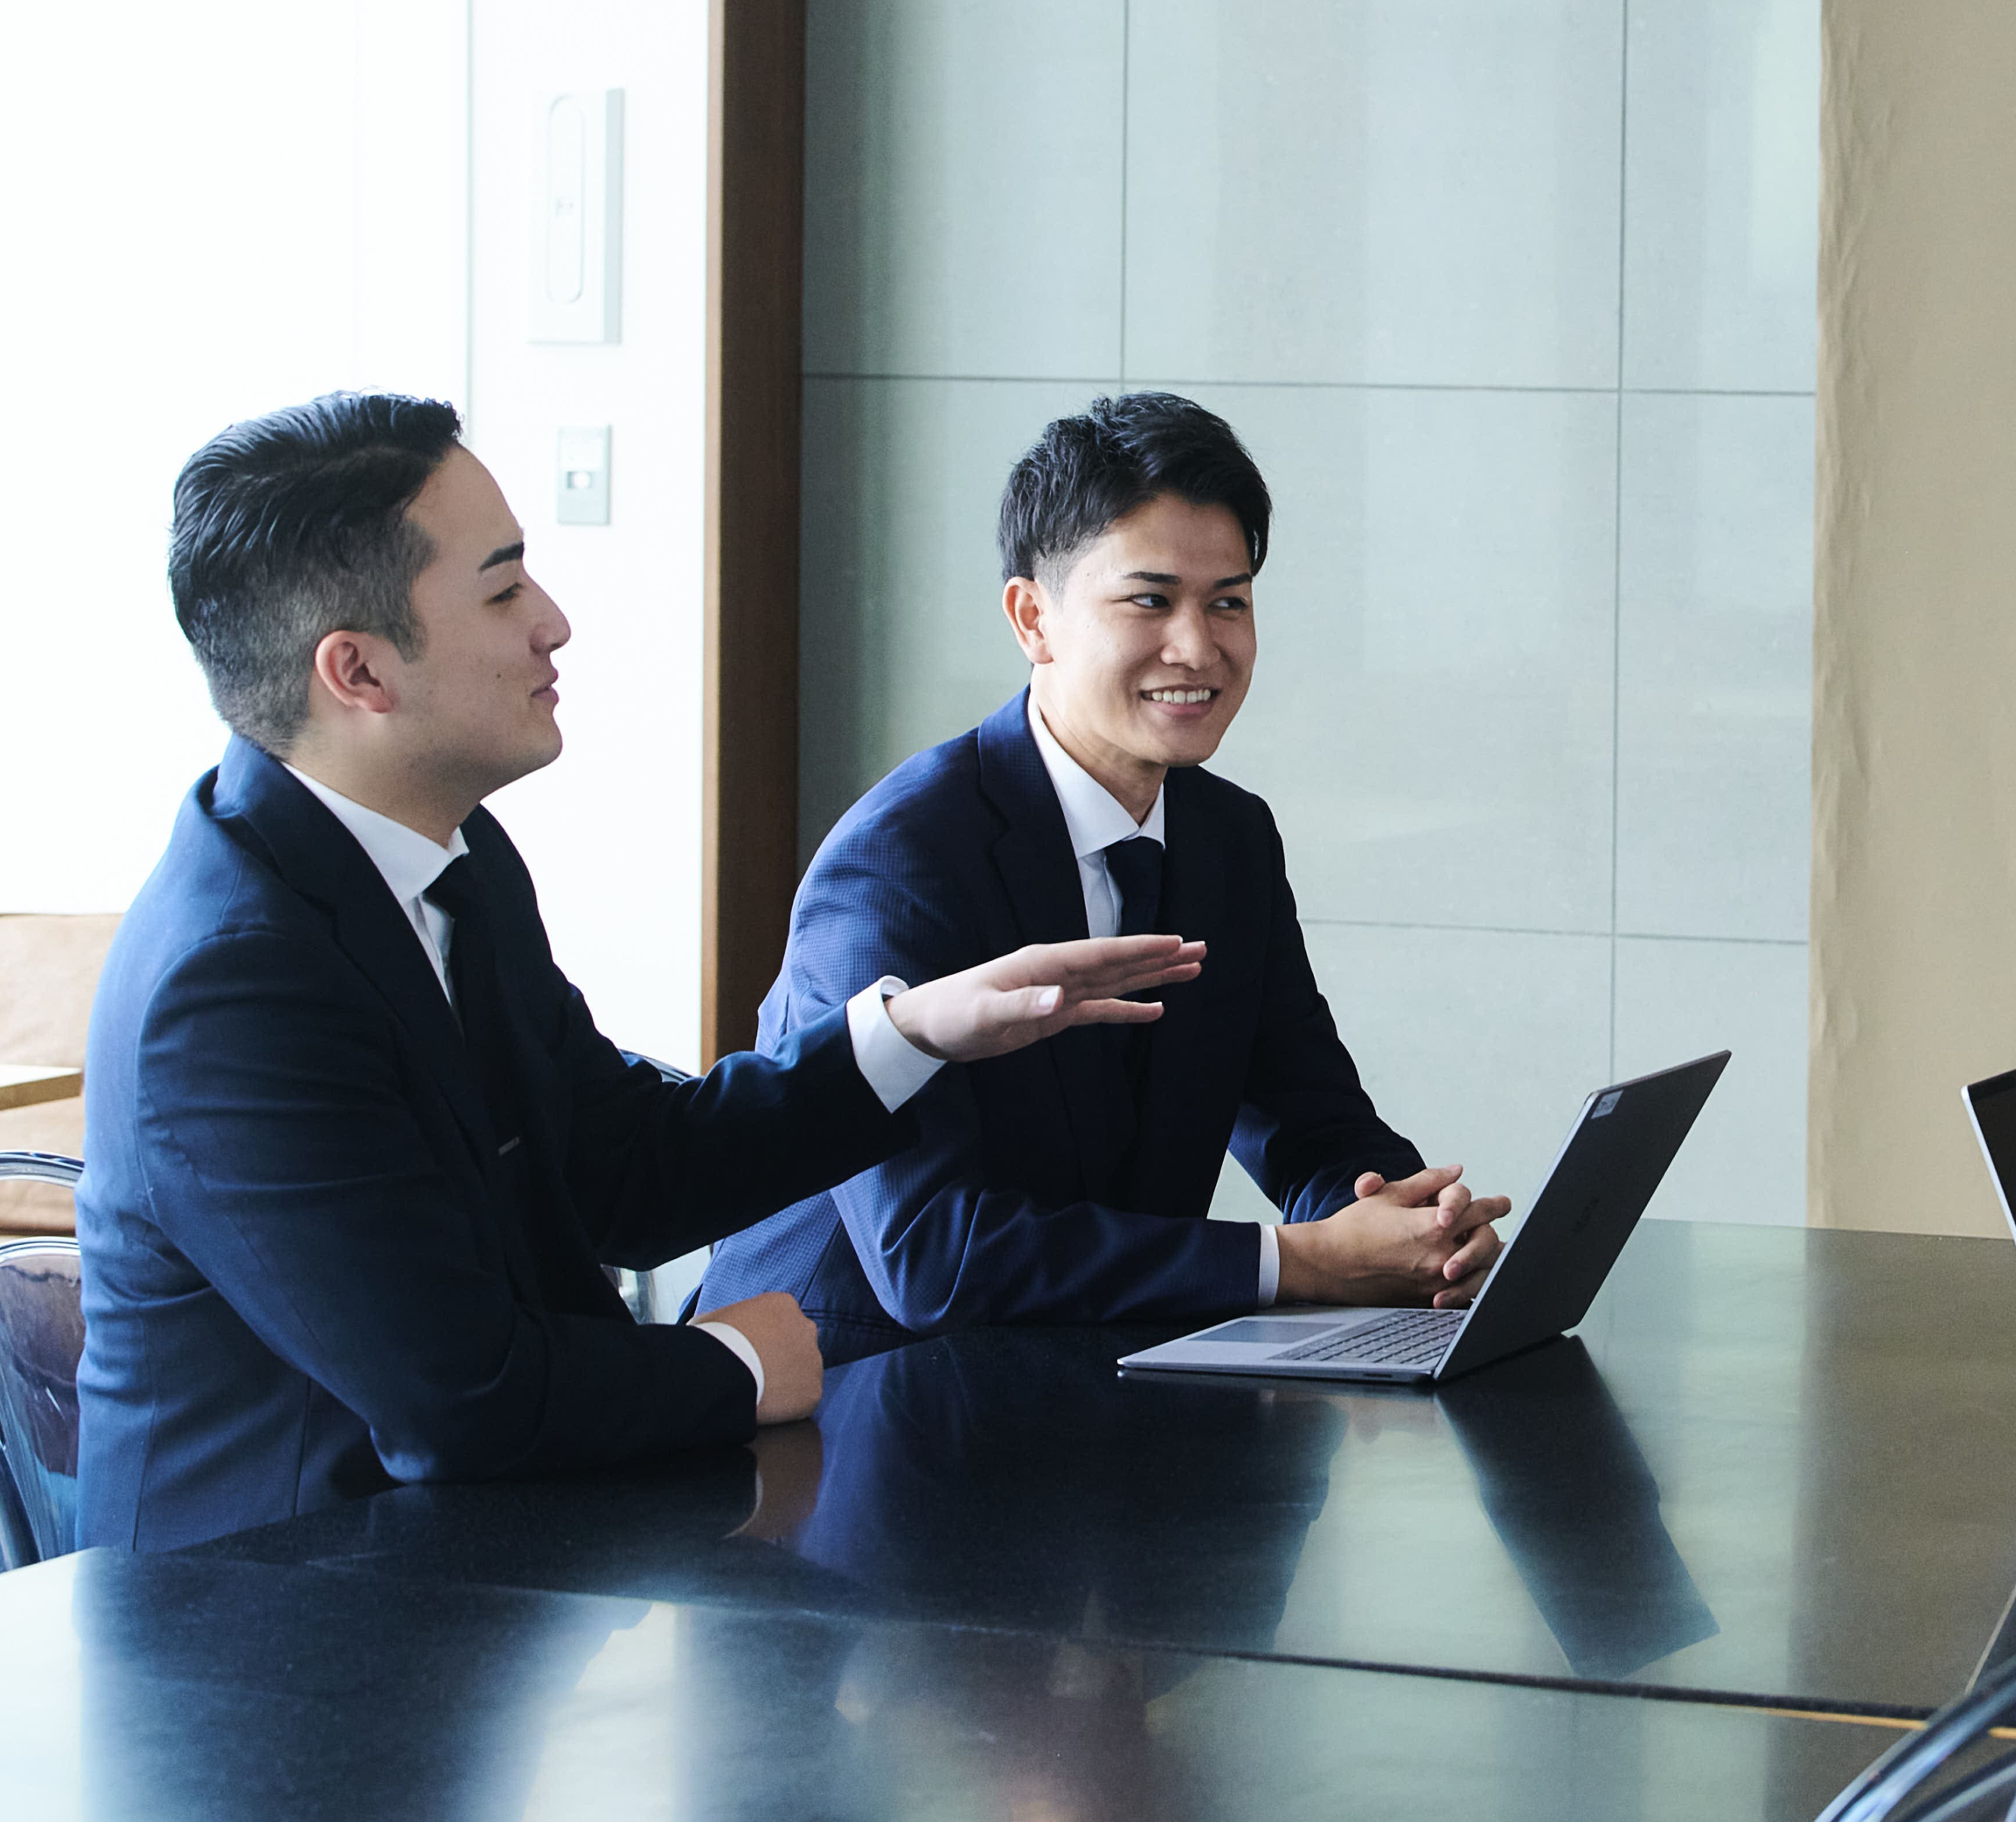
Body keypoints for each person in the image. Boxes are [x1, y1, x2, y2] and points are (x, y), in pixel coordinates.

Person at [77, 394, 1202, 1552]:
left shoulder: (454, 860)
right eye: (504, 591)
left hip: (480, 1567)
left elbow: (627, 1170)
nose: (554, 624)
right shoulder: (234, 986)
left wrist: (914, 1032)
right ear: (357, 671)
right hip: (271, 1612)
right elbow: (460, 1400)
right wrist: (734, 1362)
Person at [703, 392, 1505, 1355]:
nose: (1198, 647)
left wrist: (1416, 1231)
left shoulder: (1229, 837)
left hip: (1094, 1364)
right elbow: (931, 1255)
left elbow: (1313, 1121)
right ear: (1033, 619)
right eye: (1150, 601)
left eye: (1229, 601)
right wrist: (1299, 1263)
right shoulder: (902, 858)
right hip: (848, 1384)